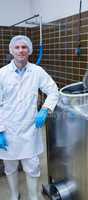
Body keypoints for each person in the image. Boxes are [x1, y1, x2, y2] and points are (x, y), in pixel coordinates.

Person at [0, 35, 59, 200]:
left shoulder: (37, 71)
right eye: (17, 47)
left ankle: (33, 196)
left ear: (29, 50)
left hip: (29, 128)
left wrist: (45, 109)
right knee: (10, 166)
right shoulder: (2, 74)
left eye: (24, 47)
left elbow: (53, 90)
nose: (20, 50)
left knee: (32, 166)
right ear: (11, 50)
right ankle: (14, 195)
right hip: (7, 128)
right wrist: (0, 131)